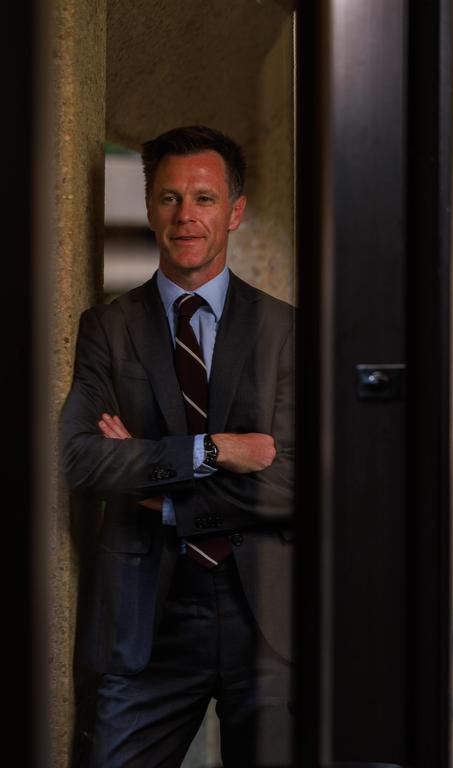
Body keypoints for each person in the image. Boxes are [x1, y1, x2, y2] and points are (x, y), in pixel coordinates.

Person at [61, 125, 294, 767]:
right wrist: (213, 450)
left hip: (264, 622)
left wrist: (163, 500)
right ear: (148, 208)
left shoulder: (285, 332)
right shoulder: (107, 329)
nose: (185, 216)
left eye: (204, 198)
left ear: (236, 211)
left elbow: (293, 481)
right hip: (145, 620)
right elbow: (80, 457)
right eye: (169, 198)